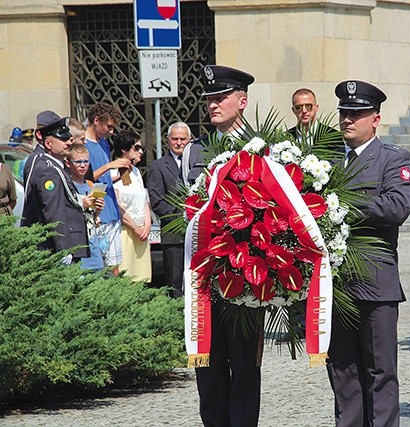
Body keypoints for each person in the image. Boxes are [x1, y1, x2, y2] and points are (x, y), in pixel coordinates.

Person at [326, 80, 410, 427]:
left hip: (375, 281)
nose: (348, 119)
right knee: (343, 371)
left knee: (380, 370)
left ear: (375, 119)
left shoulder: (393, 159)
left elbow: (396, 206)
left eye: (357, 114)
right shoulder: (326, 160)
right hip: (335, 284)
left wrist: (340, 205)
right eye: (344, 113)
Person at [190, 64, 262, 427]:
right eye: (209, 99)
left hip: (247, 277)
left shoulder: (262, 148)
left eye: (221, 98)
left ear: (243, 101)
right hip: (205, 279)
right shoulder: (195, 150)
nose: (213, 104)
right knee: (208, 364)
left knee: (246, 365)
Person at [20, 116, 89, 262]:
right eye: (63, 140)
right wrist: (63, 249)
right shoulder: (48, 170)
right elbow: (54, 212)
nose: (69, 142)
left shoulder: (56, 166)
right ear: (48, 143)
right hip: (55, 247)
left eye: (69, 138)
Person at [85, 102, 131, 275]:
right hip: (98, 212)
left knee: (115, 267)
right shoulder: (83, 145)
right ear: (96, 120)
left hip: (111, 211)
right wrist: (110, 165)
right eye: (109, 126)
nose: (111, 132)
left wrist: (119, 175)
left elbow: (102, 179)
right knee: (99, 268)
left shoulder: (103, 143)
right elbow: (86, 179)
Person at [147, 121, 190, 297]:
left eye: (183, 139)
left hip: (197, 235)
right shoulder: (157, 167)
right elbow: (157, 201)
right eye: (175, 139)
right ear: (167, 140)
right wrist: (182, 216)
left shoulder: (198, 164)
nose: (179, 143)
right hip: (174, 235)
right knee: (175, 284)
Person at [110, 129, 152, 282]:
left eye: (141, 148)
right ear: (124, 150)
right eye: (136, 148)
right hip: (125, 233)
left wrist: (147, 224)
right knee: (126, 278)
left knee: (142, 279)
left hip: (141, 233)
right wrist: (135, 227)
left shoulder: (136, 173)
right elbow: (116, 205)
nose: (141, 151)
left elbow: (144, 200)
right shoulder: (112, 172)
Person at [66, 143, 105, 272]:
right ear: (68, 163)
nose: (83, 165)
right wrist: (82, 205)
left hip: (94, 250)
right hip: (79, 252)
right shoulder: (67, 185)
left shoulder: (89, 185)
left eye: (86, 162)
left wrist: (98, 210)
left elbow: (94, 219)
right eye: (78, 162)